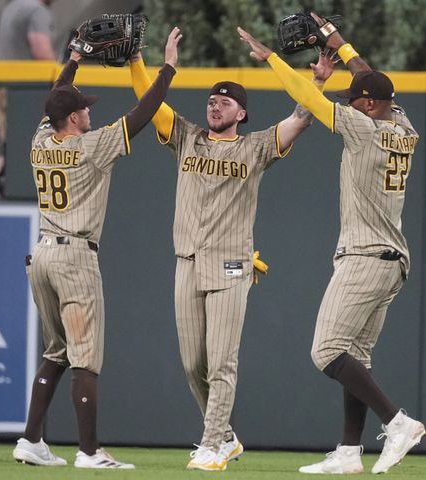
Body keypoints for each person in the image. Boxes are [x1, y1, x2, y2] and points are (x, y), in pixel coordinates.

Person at [128, 43, 334, 471]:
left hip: (231, 264)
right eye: (211, 101)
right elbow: (150, 103)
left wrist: (317, 81)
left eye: (224, 102)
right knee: (193, 364)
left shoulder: (255, 147)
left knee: (222, 361)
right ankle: (223, 435)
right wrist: (139, 62)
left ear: (241, 113)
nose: (214, 105)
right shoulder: (187, 137)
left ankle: (212, 445)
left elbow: (301, 118)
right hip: (187, 260)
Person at [238, 16, 426, 476]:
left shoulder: (365, 128)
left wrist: (271, 58)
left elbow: (308, 99)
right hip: (393, 259)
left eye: (355, 99)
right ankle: (348, 452)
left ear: (369, 104)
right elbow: (368, 75)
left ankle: (398, 423)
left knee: (326, 351)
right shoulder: (401, 122)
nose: (350, 101)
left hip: (365, 256)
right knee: (355, 357)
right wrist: (339, 44)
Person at [12, 27, 182, 469]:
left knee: (56, 353)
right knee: (85, 359)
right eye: (84, 108)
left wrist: (75, 58)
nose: (89, 111)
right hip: (74, 258)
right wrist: (167, 69)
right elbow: (143, 113)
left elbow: (56, 96)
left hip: (42, 255)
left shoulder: (40, 141)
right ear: (73, 119)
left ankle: (31, 440)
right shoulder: (91, 146)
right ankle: (89, 451)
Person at [0, 0, 56, 199]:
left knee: (7, 144)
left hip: (1, 87)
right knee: (23, 144)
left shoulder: (12, 7)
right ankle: (13, 194)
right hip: (23, 92)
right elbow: (40, 49)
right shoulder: (37, 11)